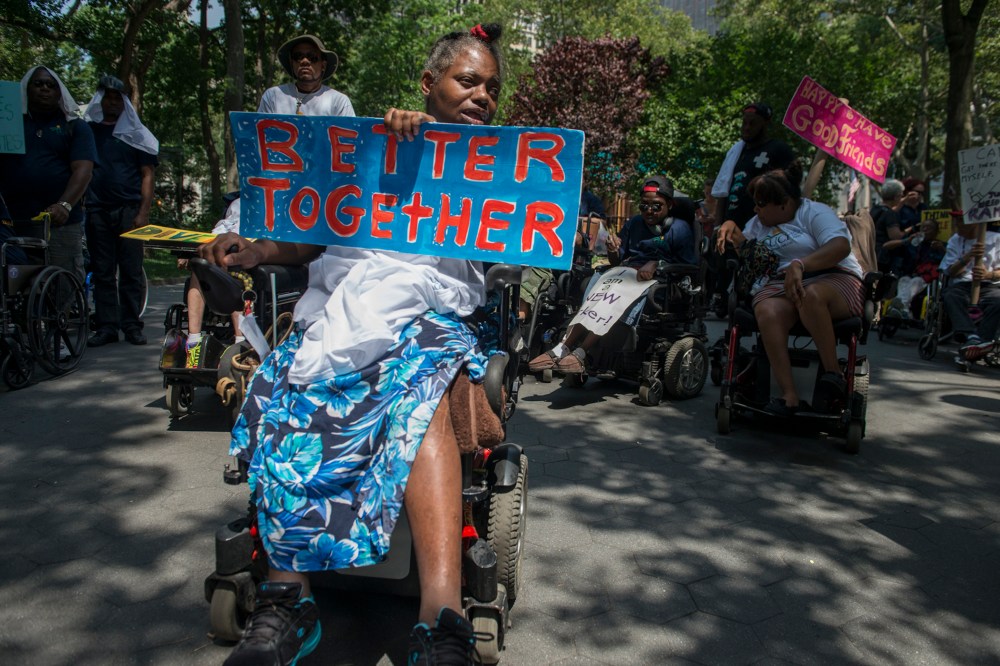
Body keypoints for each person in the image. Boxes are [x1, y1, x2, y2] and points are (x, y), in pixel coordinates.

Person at [207, 24, 506, 666]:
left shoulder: (502, 171)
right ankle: (288, 603)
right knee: (283, 390)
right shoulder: (368, 147)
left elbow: (527, 233)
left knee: (418, 405)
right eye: (467, 80)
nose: (483, 95)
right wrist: (256, 248)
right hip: (342, 303)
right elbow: (311, 235)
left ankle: (441, 622)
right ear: (429, 85)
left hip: (429, 310)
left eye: (492, 88)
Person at [724, 161, 865, 417]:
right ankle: (788, 395)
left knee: (810, 296)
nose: (756, 210)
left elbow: (840, 247)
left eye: (761, 204)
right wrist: (730, 227)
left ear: (784, 204)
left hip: (832, 277)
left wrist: (801, 264)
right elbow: (746, 248)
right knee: (766, 310)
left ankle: (833, 373)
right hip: (781, 284)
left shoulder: (814, 212)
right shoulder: (758, 223)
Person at [527, 175, 697, 374]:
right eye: (644, 206)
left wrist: (657, 263)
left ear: (670, 204)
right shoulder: (634, 224)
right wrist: (613, 250)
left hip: (659, 282)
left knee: (614, 297)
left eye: (656, 206)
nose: (649, 211)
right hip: (625, 274)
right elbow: (618, 259)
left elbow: (689, 266)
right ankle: (561, 348)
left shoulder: (680, 228)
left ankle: (581, 353)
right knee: (595, 290)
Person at [0, 66, 96, 282]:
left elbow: (83, 169)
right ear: (26, 89)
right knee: (16, 285)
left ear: (59, 92)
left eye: (50, 85)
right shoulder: (8, 126)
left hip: (58, 223)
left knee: (62, 285)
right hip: (13, 221)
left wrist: (65, 205)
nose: (44, 88)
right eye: (38, 84)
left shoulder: (75, 127)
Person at [83, 75, 159, 347]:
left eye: (118, 97)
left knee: (131, 270)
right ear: (100, 99)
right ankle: (106, 327)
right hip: (96, 210)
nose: (112, 102)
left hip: (129, 211)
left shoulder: (136, 135)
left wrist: (143, 212)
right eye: (108, 97)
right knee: (102, 271)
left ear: (124, 101)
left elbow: (147, 174)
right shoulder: (87, 131)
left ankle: (131, 325)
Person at [711, 102, 795, 310]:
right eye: (744, 123)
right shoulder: (737, 152)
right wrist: (717, 222)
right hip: (731, 226)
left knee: (751, 280)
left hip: (760, 227)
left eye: (753, 123)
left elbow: (789, 188)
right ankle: (726, 311)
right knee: (725, 272)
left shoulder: (778, 150)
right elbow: (724, 188)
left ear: (765, 123)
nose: (747, 127)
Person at [180, 195, 243, 368]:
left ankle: (240, 344)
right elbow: (216, 233)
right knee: (199, 268)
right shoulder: (237, 203)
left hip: (242, 258)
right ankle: (193, 343)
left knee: (237, 271)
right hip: (221, 244)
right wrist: (189, 253)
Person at [939, 222, 1000, 361]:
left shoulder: (996, 238)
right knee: (950, 296)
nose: (957, 227)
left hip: (988, 285)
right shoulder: (955, 240)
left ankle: (983, 340)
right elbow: (950, 271)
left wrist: (988, 275)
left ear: (974, 225)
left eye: (962, 224)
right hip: (962, 284)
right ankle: (970, 336)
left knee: (998, 301)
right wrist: (968, 256)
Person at [257, 34, 355, 117]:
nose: (304, 61)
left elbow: (348, 138)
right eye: (298, 57)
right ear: (292, 63)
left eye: (312, 57)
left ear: (323, 65)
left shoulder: (339, 102)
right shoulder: (273, 96)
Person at [871, 178, 907, 273]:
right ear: (896, 197)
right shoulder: (890, 214)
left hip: (871, 253)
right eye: (901, 195)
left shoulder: (875, 209)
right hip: (884, 257)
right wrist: (910, 230)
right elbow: (895, 236)